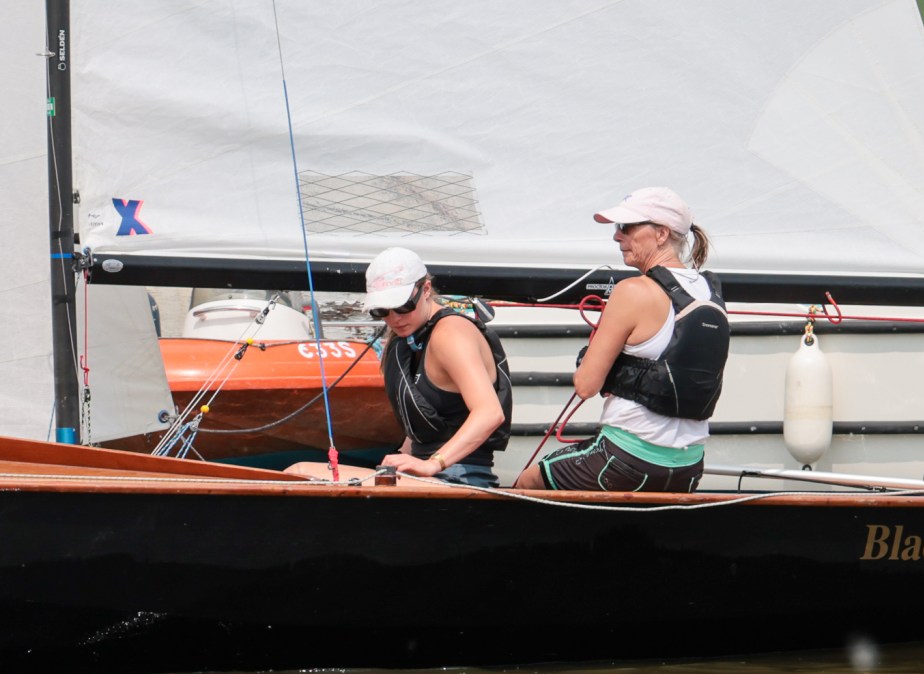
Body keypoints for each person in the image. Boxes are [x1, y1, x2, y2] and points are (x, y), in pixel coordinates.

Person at [515, 187, 729, 492]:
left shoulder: (632, 291)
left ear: (661, 234)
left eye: (626, 227)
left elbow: (586, 386)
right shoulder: (711, 293)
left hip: (624, 462)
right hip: (689, 468)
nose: (617, 236)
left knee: (529, 480)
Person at [291, 246, 513, 487]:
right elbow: (422, 427)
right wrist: (395, 463)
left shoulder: (451, 334)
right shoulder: (411, 338)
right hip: (426, 476)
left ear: (426, 289)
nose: (394, 318)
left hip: (458, 477)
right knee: (298, 472)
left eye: (403, 305)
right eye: (381, 310)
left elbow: (490, 413)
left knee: (301, 473)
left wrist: (432, 464)